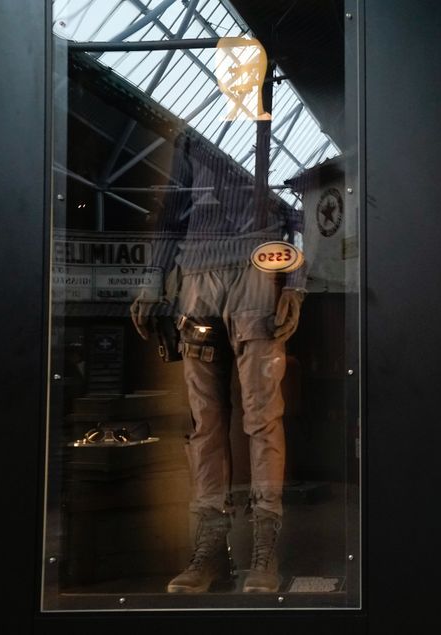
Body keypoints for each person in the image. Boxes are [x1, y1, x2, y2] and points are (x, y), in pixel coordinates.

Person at [130, 128, 306, 594]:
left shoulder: (271, 128)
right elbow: (170, 216)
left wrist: (296, 283)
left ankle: (263, 552)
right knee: (205, 418)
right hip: (199, 275)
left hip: (257, 269)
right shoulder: (194, 137)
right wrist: (152, 281)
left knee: (262, 414)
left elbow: (300, 208)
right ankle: (210, 549)